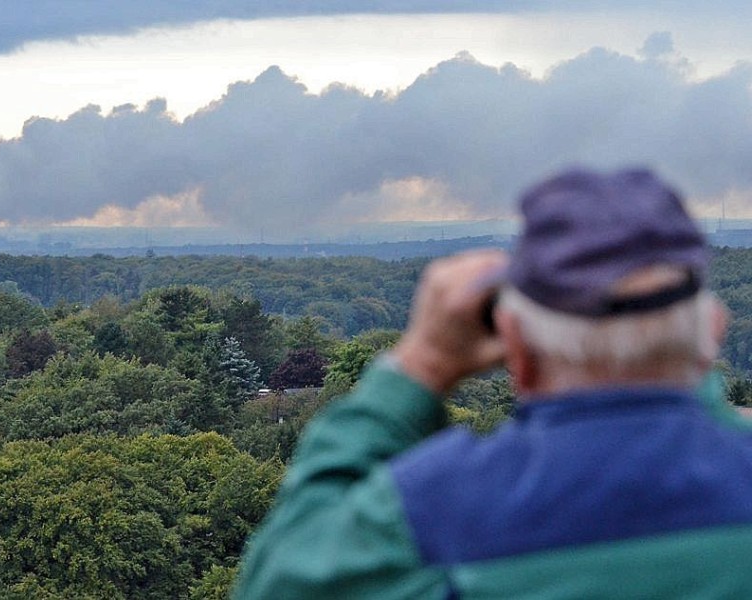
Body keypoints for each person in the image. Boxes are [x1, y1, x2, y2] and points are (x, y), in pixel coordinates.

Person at [232, 168, 752, 599]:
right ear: (712, 333)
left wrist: (420, 365)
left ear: (518, 353)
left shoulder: (434, 513)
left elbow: (281, 578)